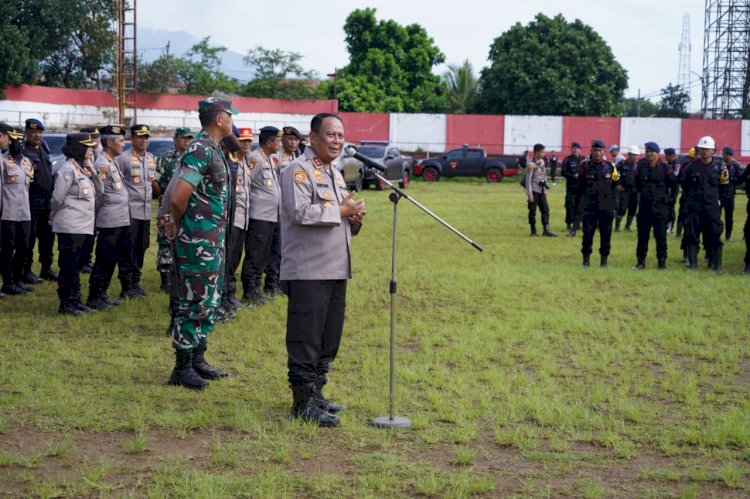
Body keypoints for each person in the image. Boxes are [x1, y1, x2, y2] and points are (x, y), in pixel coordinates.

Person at [279, 112, 365, 427]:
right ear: (313, 138)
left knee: (329, 338)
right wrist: (340, 210)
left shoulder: (335, 173)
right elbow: (299, 212)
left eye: (341, 136)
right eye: (331, 135)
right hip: (308, 270)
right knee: (306, 337)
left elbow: (339, 217)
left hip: (335, 268)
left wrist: (353, 219)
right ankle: (301, 403)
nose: (337, 141)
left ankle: (316, 393)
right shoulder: (297, 171)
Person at [166, 97, 236, 390]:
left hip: (212, 240)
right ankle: (181, 368)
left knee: (208, 300)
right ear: (219, 119)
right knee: (193, 301)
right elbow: (177, 197)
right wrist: (184, 227)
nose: (233, 120)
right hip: (198, 241)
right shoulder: (199, 149)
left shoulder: (214, 149)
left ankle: (197, 359)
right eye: (230, 115)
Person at [51, 133, 102, 315]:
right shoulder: (67, 169)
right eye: (88, 147)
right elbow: (57, 198)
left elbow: (100, 191)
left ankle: (76, 299)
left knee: (77, 265)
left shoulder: (82, 169)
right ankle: (67, 303)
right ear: (79, 149)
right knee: (69, 266)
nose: (91, 150)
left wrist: (94, 172)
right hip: (70, 226)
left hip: (83, 226)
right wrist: (53, 216)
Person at [86, 125, 132, 309]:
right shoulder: (102, 164)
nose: (123, 144)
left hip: (119, 219)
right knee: (104, 259)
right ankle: (94, 296)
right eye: (120, 141)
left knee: (112, 258)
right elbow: (99, 193)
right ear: (109, 143)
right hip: (109, 220)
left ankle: (102, 294)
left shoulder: (112, 161)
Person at [115, 124, 158, 298]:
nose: (143, 140)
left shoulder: (151, 158)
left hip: (146, 212)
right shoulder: (122, 159)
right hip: (129, 212)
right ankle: (126, 286)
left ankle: (135, 282)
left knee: (142, 247)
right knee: (128, 249)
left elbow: (152, 183)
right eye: (140, 137)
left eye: (146, 137)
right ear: (132, 139)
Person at [241, 126, 282, 304]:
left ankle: (257, 287)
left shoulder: (268, 159)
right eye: (278, 141)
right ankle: (250, 290)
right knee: (255, 255)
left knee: (265, 255)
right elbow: (245, 185)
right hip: (259, 216)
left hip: (271, 216)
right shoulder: (255, 159)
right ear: (269, 142)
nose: (280, 144)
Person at [155, 127, 193, 292]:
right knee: (166, 240)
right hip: (168, 205)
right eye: (183, 138)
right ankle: (165, 279)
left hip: (184, 205)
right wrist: (163, 195)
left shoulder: (191, 157)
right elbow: (155, 181)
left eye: (189, 138)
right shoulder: (165, 158)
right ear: (175, 139)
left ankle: (179, 275)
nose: (187, 141)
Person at [681, 136, 724, 273]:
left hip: (712, 208)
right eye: (702, 149)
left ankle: (717, 266)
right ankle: (693, 265)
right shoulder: (690, 167)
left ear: (713, 151)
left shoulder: (720, 168)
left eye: (707, 149)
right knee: (692, 235)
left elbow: (725, 187)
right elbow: (684, 184)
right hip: (695, 207)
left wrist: (718, 201)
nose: (704, 152)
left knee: (715, 235)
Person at [1, 126, 35, 295]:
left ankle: (17, 279)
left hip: (25, 212)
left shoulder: (27, 162)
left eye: (20, 141)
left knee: (24, 247)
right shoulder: (3, 161)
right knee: (7, 248)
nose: (17, 144)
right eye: (14, 141)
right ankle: (7, 283)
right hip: (8, 212)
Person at [575, 140, 619, 268]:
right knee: (588, 233)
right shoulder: (585, 166)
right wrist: (578, 207)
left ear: (604, 152)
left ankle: (604, 262)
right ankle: (586, 261)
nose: (597, 153)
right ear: (591, 151)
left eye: (600, 151)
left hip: (606, 206)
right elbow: (580, 187)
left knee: (606, 233)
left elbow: (615, 184)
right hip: (590, 205)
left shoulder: (611, 167)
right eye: (595, 150)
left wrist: (614, 203)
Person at [223, 126, 253, 311]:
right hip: (231, 219)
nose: (247, 144)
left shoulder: (245, 162)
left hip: (243, 218)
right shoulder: (231, 162)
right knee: (228, 260)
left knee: (235, 259)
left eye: (249, 141)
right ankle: (224, 297)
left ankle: (230, 295)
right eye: (243, 141)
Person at [632, 142, 676, 270]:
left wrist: (670, 202)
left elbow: (673, 185)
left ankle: (662, 263)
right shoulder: (641, 166)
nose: (649, 154)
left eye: (652, 151)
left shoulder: (665, 167)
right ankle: (640, 262)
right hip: (645, 206)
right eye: (647, 151)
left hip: (661, 207)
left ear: (658, 153)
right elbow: (636, 183)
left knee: (661, 236)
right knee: (642, 236)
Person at [22, 118, 56, 283]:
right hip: (30, 203)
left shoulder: (44, 149)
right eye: (34, 132)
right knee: (28, 239)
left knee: (47, 238)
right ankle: (26, 271)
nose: (37, 136)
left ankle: (46, 269)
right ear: (27, 133)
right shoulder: (22, 151)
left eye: (40, 132)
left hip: (46, 203)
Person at [524, 143, 556, 237]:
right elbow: (528, 180)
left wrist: (545, 188)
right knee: (532, 211)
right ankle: (533, 231)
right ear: (536, 152)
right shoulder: (530, 164)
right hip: (534, 191)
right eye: (542, 152)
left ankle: (546, 230)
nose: (543, 154)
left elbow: (544, 175)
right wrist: (529, 194)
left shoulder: (542, 162)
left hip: (541, 190)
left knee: (545, 209)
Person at [719, 147, 742, 242]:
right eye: (726, 154)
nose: (728, 157)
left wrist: (732, 185)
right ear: (723, 154)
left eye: (730, 155)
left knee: (729, 217)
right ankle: (717, 235)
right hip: (719, 195)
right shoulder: (718, 166)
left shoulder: (735, 167)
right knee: (716, 216)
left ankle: (728, 236)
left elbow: (739, 179)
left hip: (730, 195)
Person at [561, 141, 584, 236]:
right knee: (570, 205)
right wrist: (572, 175)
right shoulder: (567, 160)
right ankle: (569, 223)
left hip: (582, 187)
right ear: (571, 149)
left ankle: (577, 223)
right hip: (571, 187)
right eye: (573, 148)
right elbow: (563, 172)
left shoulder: (584, 159)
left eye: (577, 148)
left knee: (581, 206)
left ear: (580, 150)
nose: (575, 150)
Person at [615, 145, 639, 232]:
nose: (635, 156)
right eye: (633, 154)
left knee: (632, 209)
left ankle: (627, 227)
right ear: (629, 154)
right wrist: (617, 184)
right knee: (622, 208)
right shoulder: (622, 163)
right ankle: (617, 227)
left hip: (635, 191)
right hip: (624, 190)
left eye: (636, 155)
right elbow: (613, 172)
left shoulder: (638, 165)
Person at [663, 148, 679, 234]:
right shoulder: (668, 164)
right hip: (667, 188)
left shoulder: (675, 164)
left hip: (673, 188)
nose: (665, 157)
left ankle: (671, 226)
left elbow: (675, 176)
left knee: (671, 206)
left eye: (666, 155)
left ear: (671, 155)